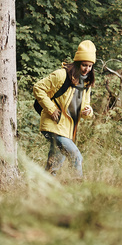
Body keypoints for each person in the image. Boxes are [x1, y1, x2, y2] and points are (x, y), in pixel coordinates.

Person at [33, 40, 96, 178]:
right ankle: (78, 190)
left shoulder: (86, 83)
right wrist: (51, 109)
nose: (87, 69)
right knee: (77, 157)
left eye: (90, 66)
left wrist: (88, 111)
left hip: (67, 131)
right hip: (54, 126)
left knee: (52, 168)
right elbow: (38, 88)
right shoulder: (61, 75)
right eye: (84, 65)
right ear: (78, 62)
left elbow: (86, 106)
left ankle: (41, 192)